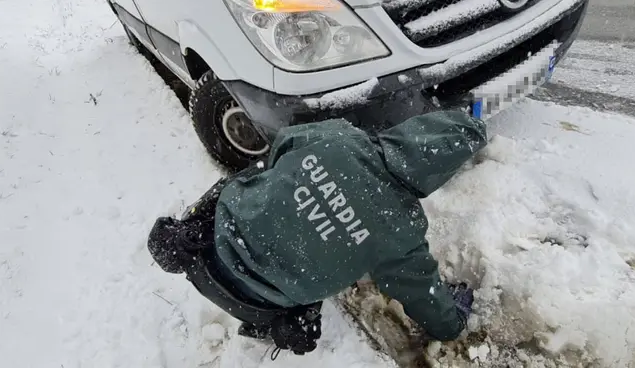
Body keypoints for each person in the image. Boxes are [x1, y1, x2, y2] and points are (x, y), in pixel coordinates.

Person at [148, 109, 487, 358]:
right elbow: (423, 294)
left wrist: (306, 190)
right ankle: (278, 328)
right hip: (261, 305)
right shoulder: (402, 234)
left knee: (259, 178)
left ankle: (186, 230)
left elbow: (282, 145)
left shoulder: (338, 137)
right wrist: (451, 323)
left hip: (207, 251)